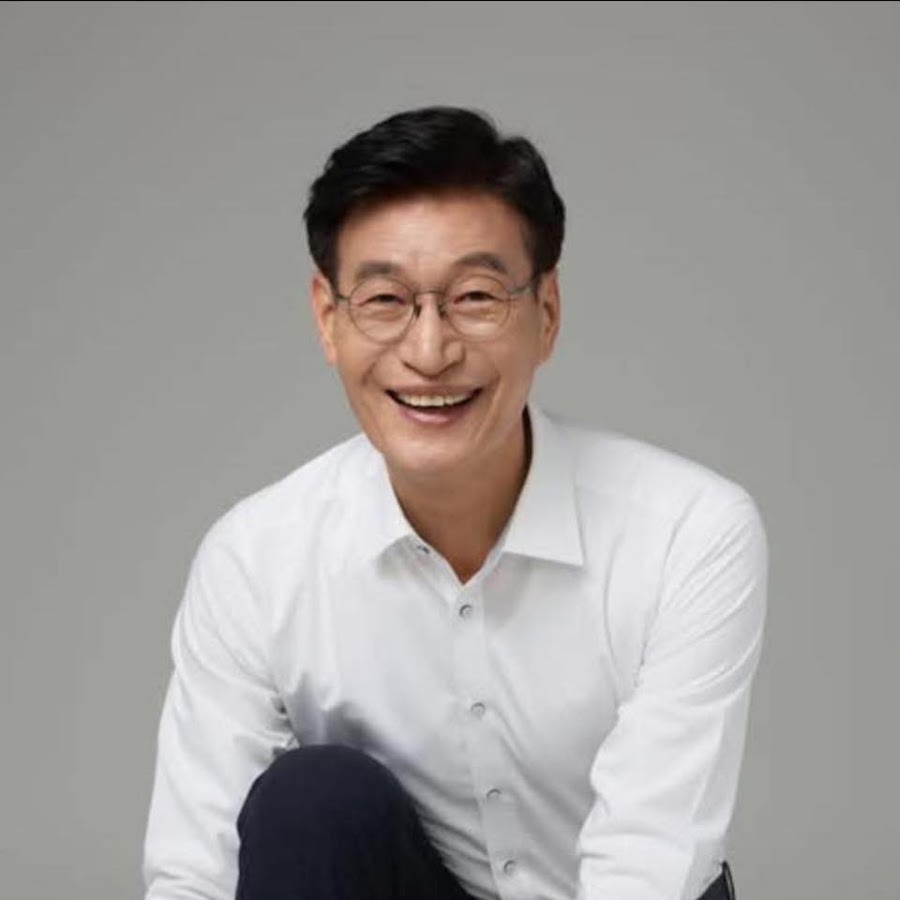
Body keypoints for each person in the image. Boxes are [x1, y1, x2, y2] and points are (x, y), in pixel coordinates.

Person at [143, 106, 767, 900]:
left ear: (546, 314)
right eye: (385, 300)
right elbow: (195, 873)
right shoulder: (256, 558)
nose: (430, 351)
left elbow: (650, 860)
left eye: (475, 296)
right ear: (329, 320)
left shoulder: (687, 530)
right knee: (314, 802)